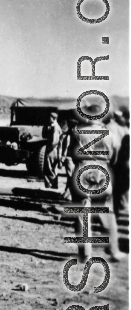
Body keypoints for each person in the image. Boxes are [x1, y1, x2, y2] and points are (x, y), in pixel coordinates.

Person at [66, 101, 123, 261]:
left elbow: (71, 152)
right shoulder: (111, 134)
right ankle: (114, 250)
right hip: (103, 173)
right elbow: (115, 158)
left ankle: (85, 254)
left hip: (82, 173)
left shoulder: (76, 131)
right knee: (108, 212)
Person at [42, 112, 63, 189]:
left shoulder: (55, 128)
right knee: (51, 168)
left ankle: (51, 184)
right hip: (53, 149)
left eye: (50, 117)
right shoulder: (52, 127)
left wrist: (48, 149)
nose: (48, 119)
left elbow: (54, 141)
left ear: (54, 118)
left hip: (52, 150)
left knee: (49, 168)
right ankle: (52, 184)